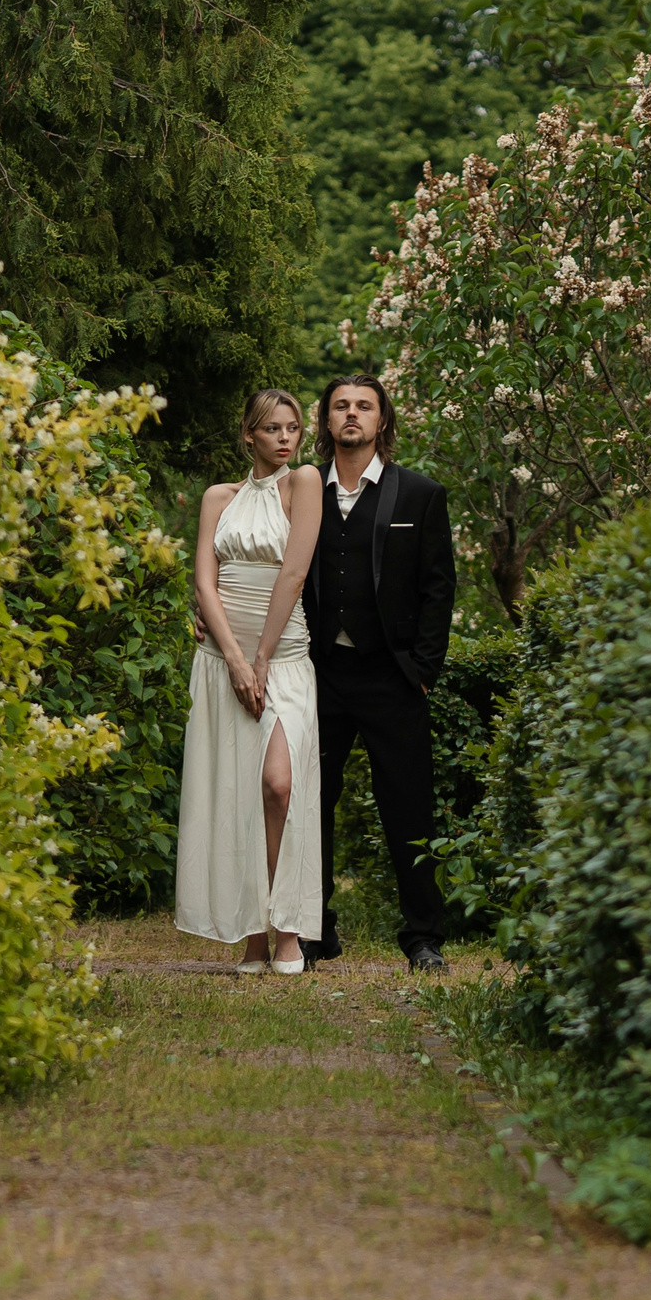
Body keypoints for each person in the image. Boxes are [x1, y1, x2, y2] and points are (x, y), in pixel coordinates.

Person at [302, 374, 457, 973]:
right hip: (321, 672)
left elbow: (438, 586)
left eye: (364, 407)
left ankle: (423, 937)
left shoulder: (418, 495)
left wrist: (423, 669)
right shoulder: (303, 489)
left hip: (394, 677)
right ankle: (315, 929)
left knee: (408, 806)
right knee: (310, 804)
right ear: (326, 420)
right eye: (341, 406)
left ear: (382, 422)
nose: (351, 415)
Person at [175, 389, 325, 974]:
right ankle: (255, 936)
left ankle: (287, 929)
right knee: (237, 793)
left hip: (282, 657)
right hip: (221, 660)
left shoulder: (304, 483)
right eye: (273, 429)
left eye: (292, 428)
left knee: (279, 785)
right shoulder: (219, 497)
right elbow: (204, 585)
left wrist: (260, 659)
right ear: (249, 436)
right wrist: (234, 660)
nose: (286, 438)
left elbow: (294, 570)